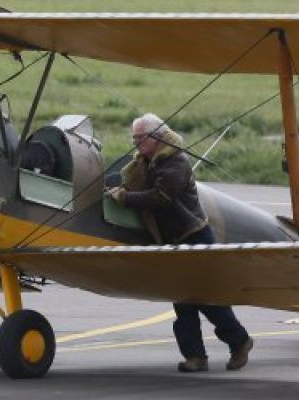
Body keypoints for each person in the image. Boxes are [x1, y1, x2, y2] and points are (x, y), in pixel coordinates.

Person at [107, 113, 253, 373]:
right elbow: (132, 183)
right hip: (171, 241)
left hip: (194, 237)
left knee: (206, 299)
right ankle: (196, 358)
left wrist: (126, 199)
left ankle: (240, 341)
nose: (135, 143)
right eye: (134, 138)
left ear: (157, 137)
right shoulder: (146, 162)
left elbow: (161, 197)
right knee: (182, 304)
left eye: (139, 138)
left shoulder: (176, 162)